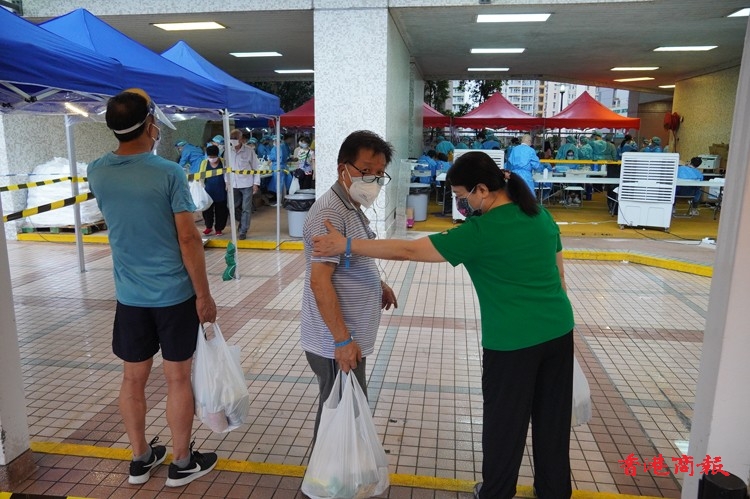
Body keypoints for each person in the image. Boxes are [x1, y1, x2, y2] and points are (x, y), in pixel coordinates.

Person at [311, 151, 575, 499]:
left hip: (512, 343)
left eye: (463, 196)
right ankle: (554, 491)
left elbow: (409, 251)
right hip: (559, 333)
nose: (463, 204)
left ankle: (496, 492)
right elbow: (560, 277)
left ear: (482, 190)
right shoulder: (540, 215)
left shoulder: (480, 231)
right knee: (553, 419)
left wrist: (346, 244)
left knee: (505, 423)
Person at [87, 88, 218, 488]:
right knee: (177, 378)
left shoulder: (97, 171)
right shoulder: (168, 173)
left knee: (133, 379)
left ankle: (140, 458)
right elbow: (189, 239)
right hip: (174, 295)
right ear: (150, 124)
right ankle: (181, 463)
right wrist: (204, 294)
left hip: (129, 297)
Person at [300, 130, 398, 442]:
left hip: (348, 337)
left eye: (379, 174)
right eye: (366, 171)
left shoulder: (349, 207)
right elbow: (319, 282)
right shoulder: (330, 212)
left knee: (346, 413)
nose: (373, 180)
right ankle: (325, 472)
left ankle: (339, 469)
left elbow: (348, 260)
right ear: (342, 168)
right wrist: (342, 340)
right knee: (337, 417)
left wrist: (377, 283)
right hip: (335, 342)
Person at [227, 128, 261, 240]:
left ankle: (243, 231)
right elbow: (226, 169)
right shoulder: (228, 151)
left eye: (235, 138)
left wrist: (256, 183)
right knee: (231, 206)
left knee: (246, 208)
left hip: (247, 183)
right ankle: (242, 222)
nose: (233, 140)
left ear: (241, 139)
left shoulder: (249, 151)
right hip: (233, 184)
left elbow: (256, 168)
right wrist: (226, 182)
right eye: (231, 138)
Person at [198, 145, 228, 236]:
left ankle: (219, 228)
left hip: (221, 191)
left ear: (217, 155)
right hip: (208, 191)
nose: (212, 159)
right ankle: (208, 227)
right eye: (210, 157)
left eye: (214, 157)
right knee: (207, 211)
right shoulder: (204, 163)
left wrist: (227, 185)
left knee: (221, 211)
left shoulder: (223, 162)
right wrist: (200, 186)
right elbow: (201, 176)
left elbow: (227, 175)